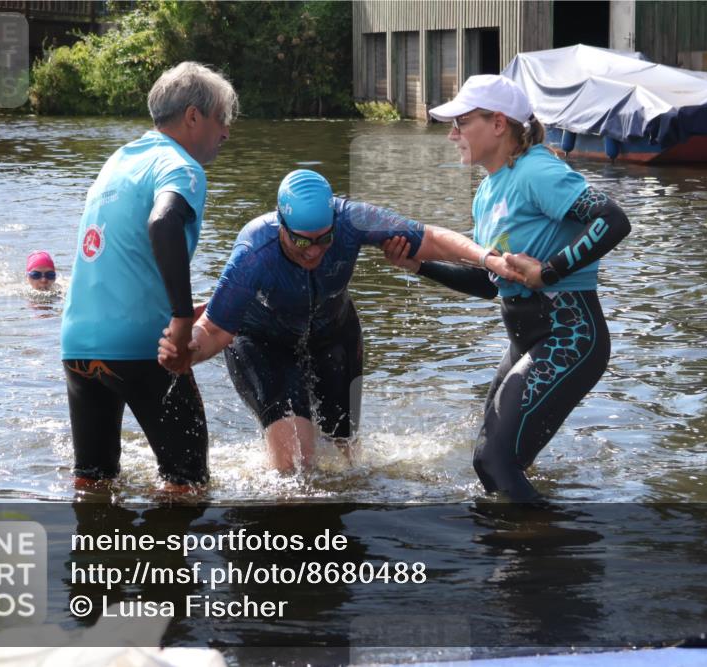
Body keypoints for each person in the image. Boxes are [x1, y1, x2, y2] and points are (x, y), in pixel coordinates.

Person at [158, 168, 518, 473]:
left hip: (334, 336)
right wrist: (188, 353)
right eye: (302, 242)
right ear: (281, 225)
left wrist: (487, 258)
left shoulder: (351, 220)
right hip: (262, 343)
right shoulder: (254, 251)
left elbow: (431, 238)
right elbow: (216, 329)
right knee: (295, 467)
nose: (314, 251)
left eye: (323, 239)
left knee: (346, 459)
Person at [384, 74, 631, 501]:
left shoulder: (537, 169)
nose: (452, 135)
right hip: (527, 338)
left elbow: (612, 219)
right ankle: (534, 552)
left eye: (461, 123)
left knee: (492, 461)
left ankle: (538, 550)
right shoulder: (486, 192)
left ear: (498, 124)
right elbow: (489, 283)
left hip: (569, 334)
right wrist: (422, 266)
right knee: (497, 459)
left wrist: (548, 272)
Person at [60, 62, 238, 492]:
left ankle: (97, 552)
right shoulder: (182, 167)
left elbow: (122, 254)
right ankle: (163, 559)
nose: (226, 133)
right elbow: (162, 223)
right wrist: (180, 320)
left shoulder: (119, 161)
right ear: (194, 117)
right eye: (222, 120)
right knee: (188, 484)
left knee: (94, 483)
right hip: (143, 348)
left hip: (78, 346)